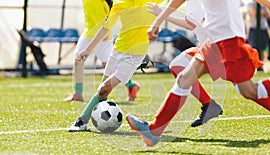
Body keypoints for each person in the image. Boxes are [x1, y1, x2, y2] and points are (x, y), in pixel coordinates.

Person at [126, 0, 270, 147]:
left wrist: (158, 21)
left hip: (229, 40)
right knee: (184, 78)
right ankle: (154, 130)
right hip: (213, 41)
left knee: (248, 90)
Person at [68, 0, 164, 132]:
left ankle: (81, 121)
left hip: (134, 55)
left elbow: (172, 5)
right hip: (117, 51)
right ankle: (105, 121)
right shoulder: (119, 3)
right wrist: (88, 50)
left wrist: (160, 20)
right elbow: (105, 27)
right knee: (102, 93)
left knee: (103, 88)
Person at [146, 1, 223, 127]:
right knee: (178, 65)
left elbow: (190, 25)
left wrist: (162, 15)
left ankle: (155, 128)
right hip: (209, 47)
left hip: (221, 49)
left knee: (250, 90)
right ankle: (209, 105)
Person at [64, 0, 140, 103]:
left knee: (109, 68)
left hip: (103, 36)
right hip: (88, 33)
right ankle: (78, 94)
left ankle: (131, 85)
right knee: (78, 61)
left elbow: (112, 14)